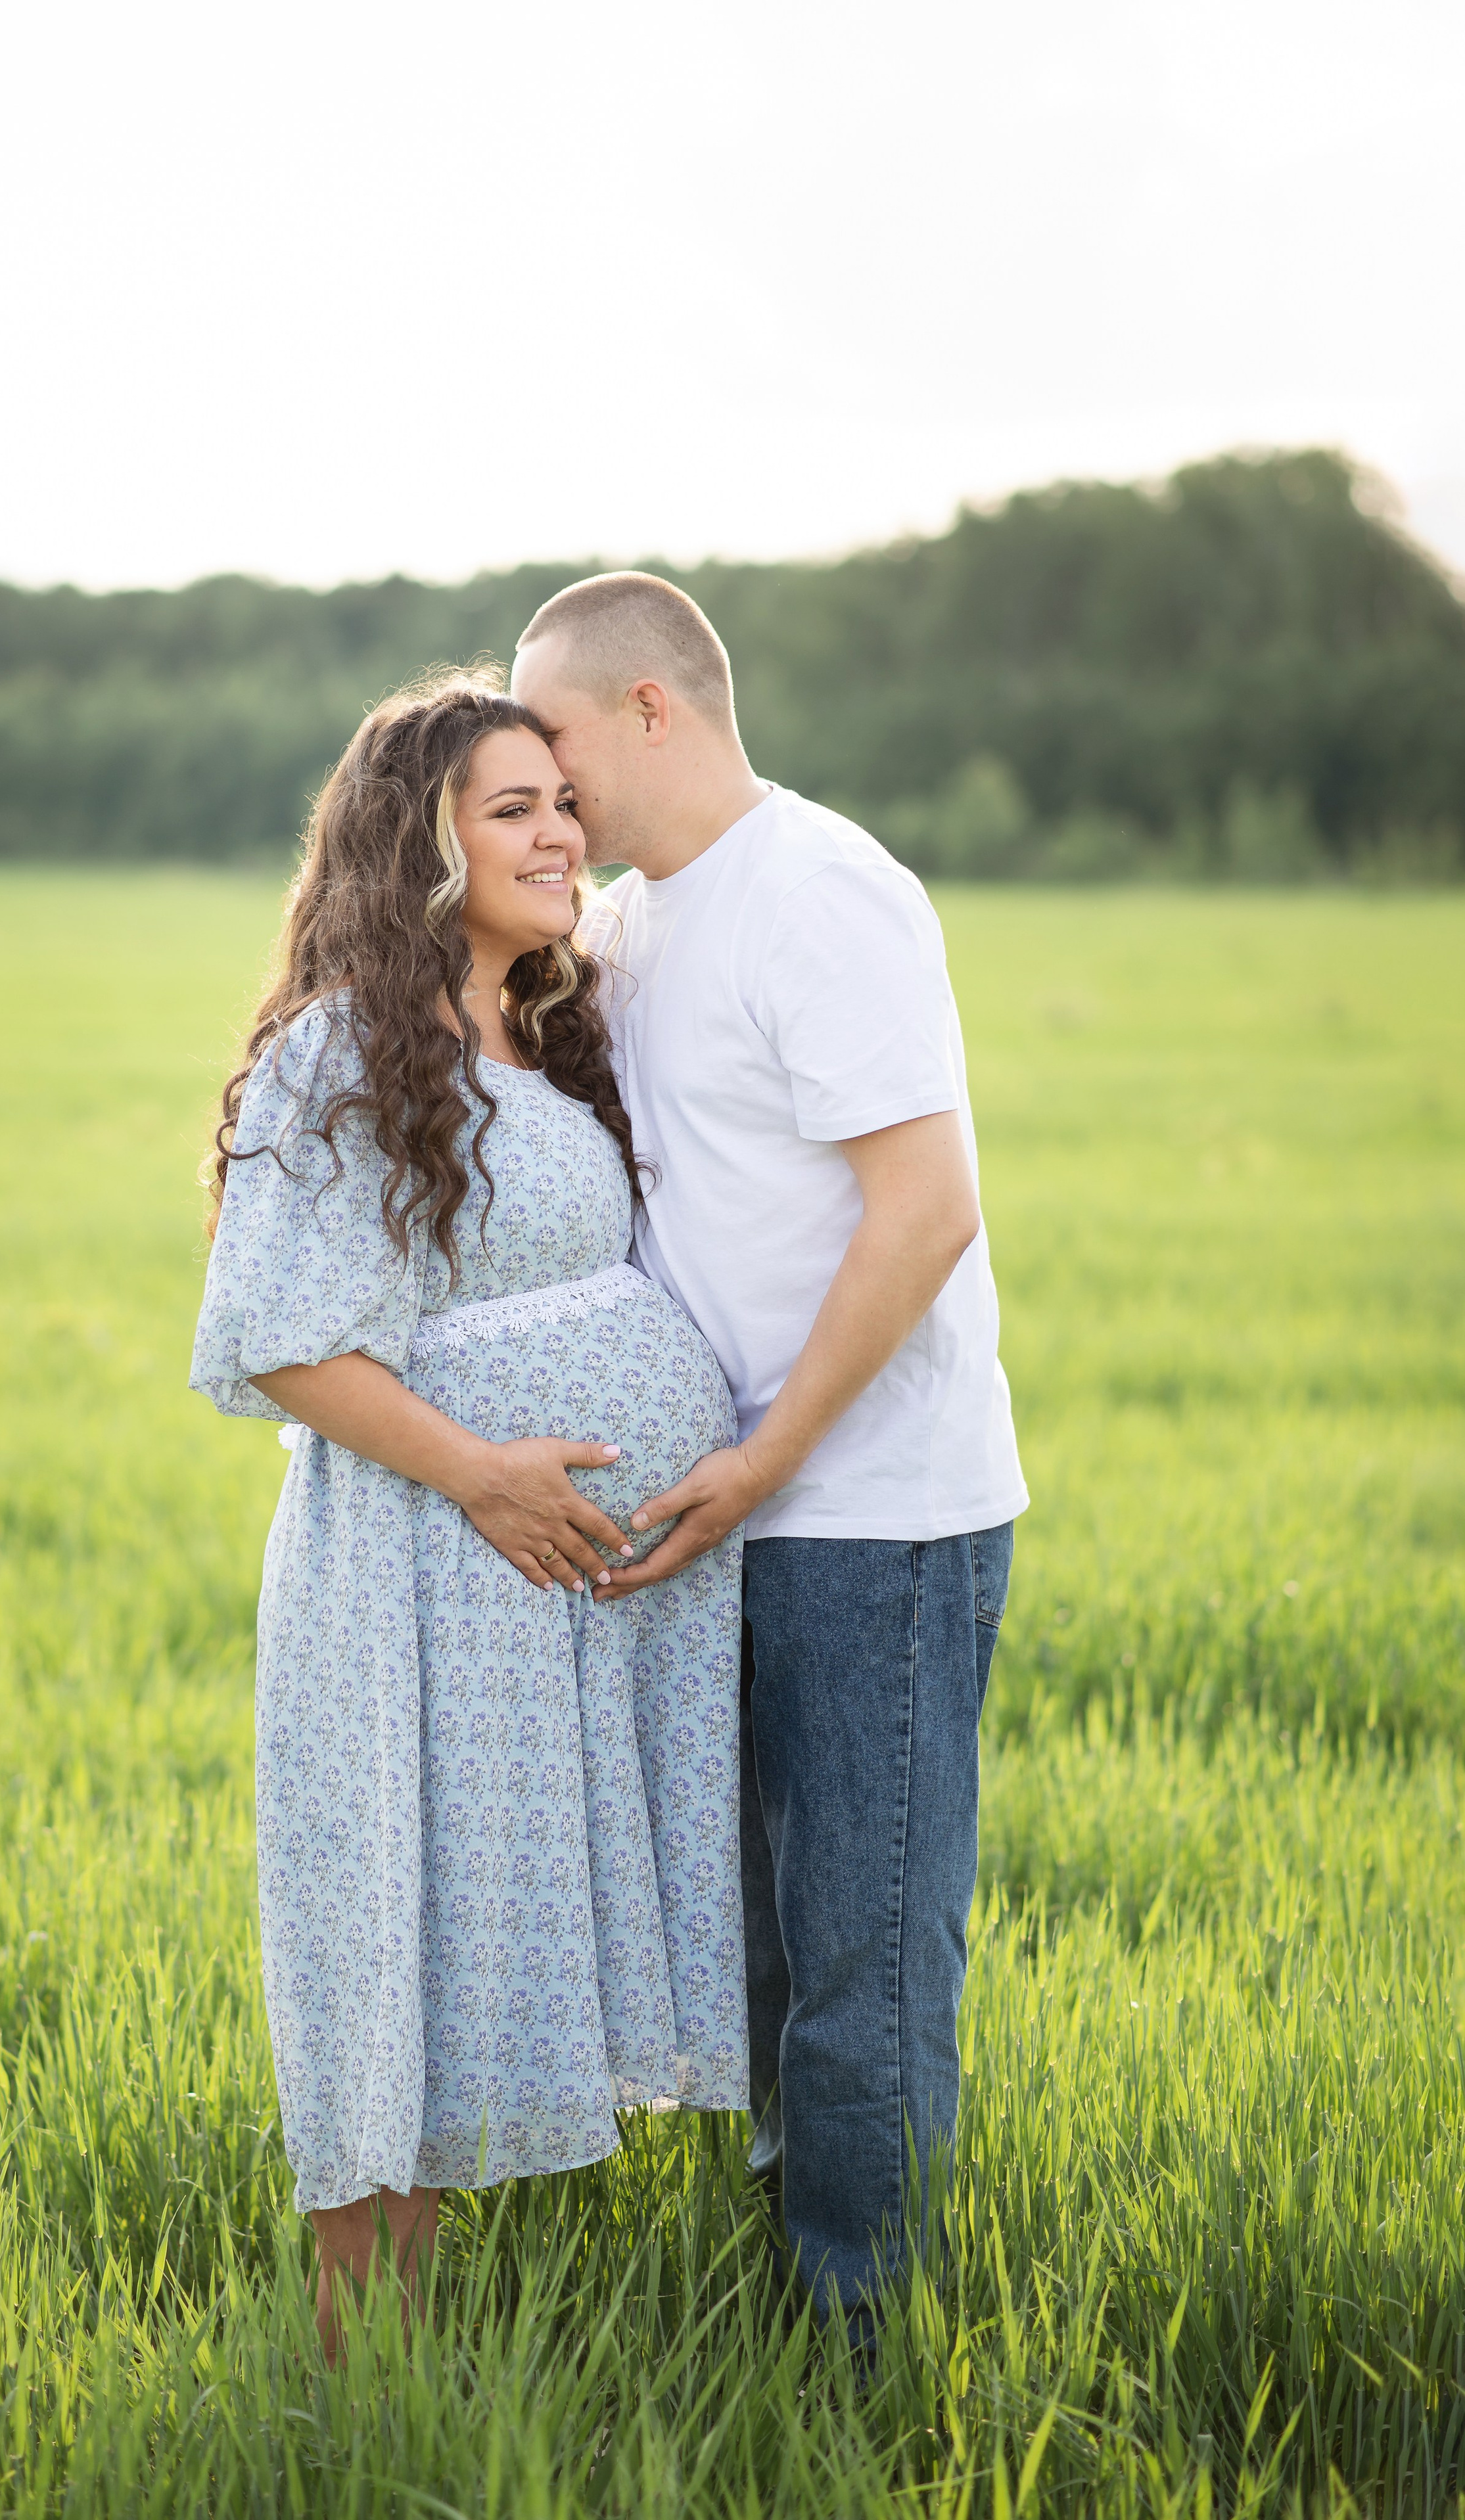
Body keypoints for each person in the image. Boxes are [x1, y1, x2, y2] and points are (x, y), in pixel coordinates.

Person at [189, 676, 747, 2359]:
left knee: (476, 1943)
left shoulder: (541, 1031)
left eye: (561, 803)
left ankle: (417, 2356)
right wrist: (484, 1473)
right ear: (413, 844)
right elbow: (279, 1335)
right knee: (399, 1938)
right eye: (512, 809)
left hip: (546, 1595)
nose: (560, 834)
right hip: (423, 1572)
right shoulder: (341, 1048)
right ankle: (360, 2383)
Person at [512, 578, 1028, 2332]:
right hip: (723, 1517)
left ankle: (863, 2360)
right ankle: (787, 2301)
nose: (544, 783)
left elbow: (926, 1207)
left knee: (858, 1963)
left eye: (556, 739)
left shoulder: (819, 890)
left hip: (869, 1514)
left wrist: (768, 1455)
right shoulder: (635, 923)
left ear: (650, 708)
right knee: (758, 1954)